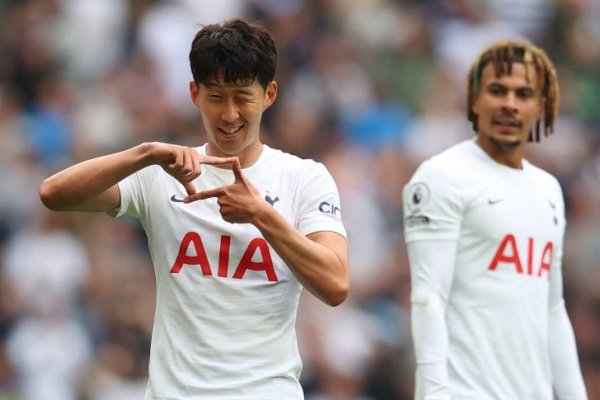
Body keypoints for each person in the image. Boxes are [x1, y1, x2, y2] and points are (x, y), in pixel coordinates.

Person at [39, 18, 349, 399]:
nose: (230, 114)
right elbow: (54, 194)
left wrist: (260, 214)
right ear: (194, 94)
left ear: (269, 94)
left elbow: (336, 284)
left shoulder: (304, 178)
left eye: (242, 96)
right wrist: (145, 153)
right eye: (216, 96)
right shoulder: (162, 172)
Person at [402, 39, 588, 399]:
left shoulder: (548, 189)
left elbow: (553, 309)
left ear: (541, 106)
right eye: (497, 90)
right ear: (474, 100)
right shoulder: (441, 176)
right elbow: (428, 296)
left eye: (523, 94)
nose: (509, 103)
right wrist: (434, 394)